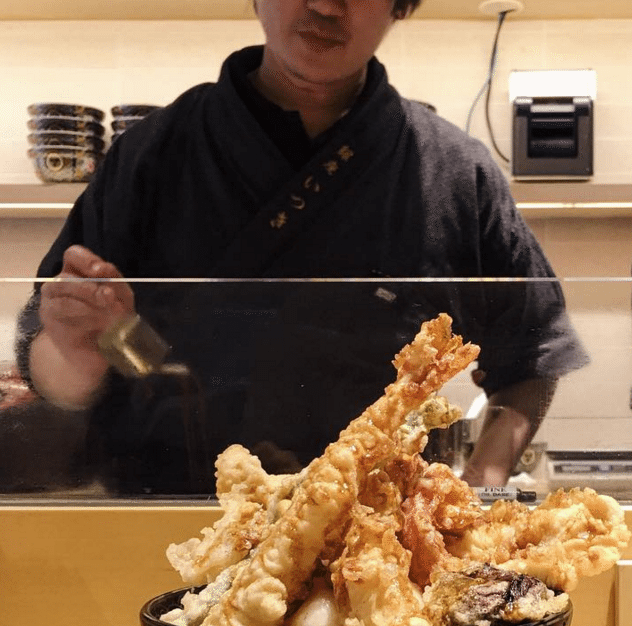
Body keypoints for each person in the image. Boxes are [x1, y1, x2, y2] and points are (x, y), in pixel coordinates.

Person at [16, 0, 587, 496]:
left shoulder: (455, 174)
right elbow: (54, 363)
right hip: (166, 532)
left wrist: (479, 487)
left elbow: (531, 358)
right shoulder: (155, 154)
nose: (327, 6)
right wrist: (76, 353)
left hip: (379, 549)